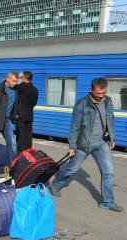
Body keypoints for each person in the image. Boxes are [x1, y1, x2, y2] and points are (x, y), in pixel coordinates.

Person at [49, 78, 123, 212]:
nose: (101, 96)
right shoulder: (81, 104)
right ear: (91, 90)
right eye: (98, 94)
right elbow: (74, 127)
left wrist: (112, 137)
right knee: (72, 169)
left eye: (104, 93)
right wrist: (72, 146)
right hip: (84, 144)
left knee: (108, 172)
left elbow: (110, 119)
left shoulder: (108, 101)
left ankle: (107, 201)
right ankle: (56, 184)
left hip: (101, 143)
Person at [16, 71, 38, 153]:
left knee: (20, 138)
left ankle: (21, 156)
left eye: (22, 77)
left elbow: (14, 86)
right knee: (28, 137)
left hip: (21, 116)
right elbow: (34, 103)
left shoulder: (22, 87)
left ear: (24, 78)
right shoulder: (35, 89)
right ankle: (29, 154)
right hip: (29, 115)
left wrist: (18, 77)